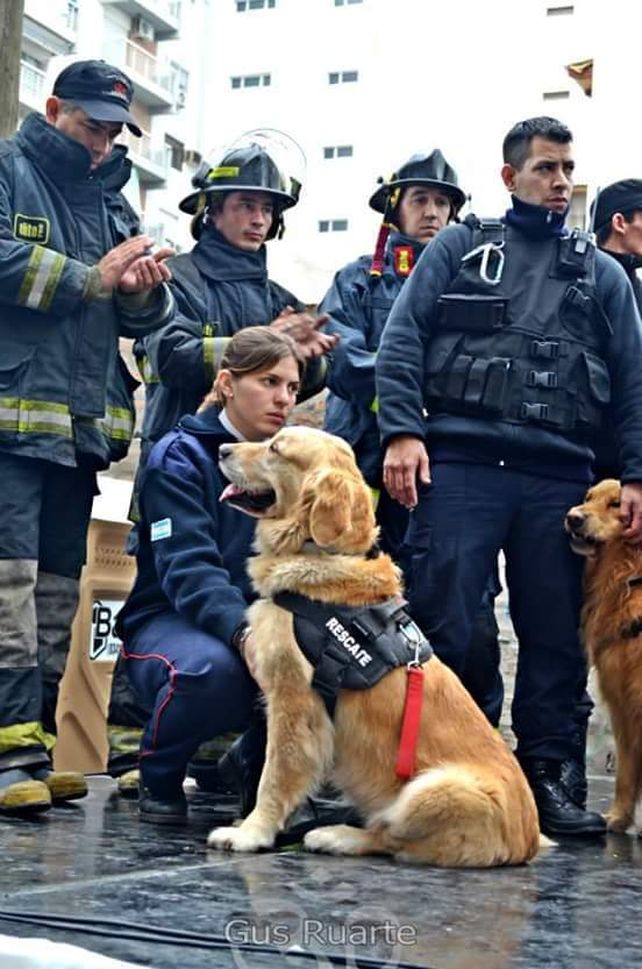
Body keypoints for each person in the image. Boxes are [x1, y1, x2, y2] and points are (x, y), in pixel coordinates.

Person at [376, 115, 642, 837]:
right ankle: (447, 762)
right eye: (545, 169)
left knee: (555, 634)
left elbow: (634, 383)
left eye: (566, 169)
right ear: (510, 176)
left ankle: (550, 778)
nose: (559, 183)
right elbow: (401, 340)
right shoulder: (461, 248)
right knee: (445, 620)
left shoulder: (604, 272)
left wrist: (638, 475)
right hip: (460, 464)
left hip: (559, 477)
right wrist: (402, 429)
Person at [107, 135, 337, 786]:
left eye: (267, 207)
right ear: (210, 208)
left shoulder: (282, 292)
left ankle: (223, 752)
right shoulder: (178, 277)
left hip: (259, 480)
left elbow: (306, 377)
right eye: (243, 204)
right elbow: (171, 355)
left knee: (244, 592)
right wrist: (266, 347)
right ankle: (134, 744)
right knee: (170, 584)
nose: (257, 218)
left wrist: (314, 357)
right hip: (186, 461)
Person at [0, 59, 174, 817]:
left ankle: (34, 746)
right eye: (92, 125)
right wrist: (93, 278)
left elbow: (137, 320)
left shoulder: (114, 201)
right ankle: (6, 751)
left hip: (81, 431)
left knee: (59, 593)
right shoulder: (8, 168)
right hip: (10, 424)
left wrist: (144, 292)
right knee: (7, 588)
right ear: (53, 108)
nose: (103, 143)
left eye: (113, 130)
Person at [321, 150, 504, 726]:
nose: (433, 212)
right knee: (354, 611)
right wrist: (409, 379)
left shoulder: (475, 286)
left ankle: (470, 736)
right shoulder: (355, 280)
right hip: (366, 476)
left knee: (464, 611)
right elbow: (342, 359)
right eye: (420, 199)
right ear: (394, 208)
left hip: (444, 476)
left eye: (443, 202)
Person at [114, 327, 304, 823]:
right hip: (171, 620)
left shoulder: (290, 467)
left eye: (292, 388)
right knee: (210, 672)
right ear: (226, 384)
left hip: (255, 619)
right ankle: (159, 774)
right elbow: (188, 570)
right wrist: (247, 636)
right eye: (268, 381)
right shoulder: (178, 457)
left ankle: (253, 762)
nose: (282, 398)